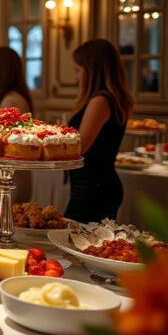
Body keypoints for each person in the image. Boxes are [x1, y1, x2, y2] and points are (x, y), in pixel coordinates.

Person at [66, 39, 133, 223]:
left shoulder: (100, 101)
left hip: (94, 189)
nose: (76, 77)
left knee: (72, 237)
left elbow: (79, 147)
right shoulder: (108, 99)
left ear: (92, 71)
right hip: (95, 185)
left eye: (78, 70)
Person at [0, 47, 34, 205]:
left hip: (5, 177)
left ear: (1, 70)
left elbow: (0, 143)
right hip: (8, 173)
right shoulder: (11, 98)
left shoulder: (11, 101)